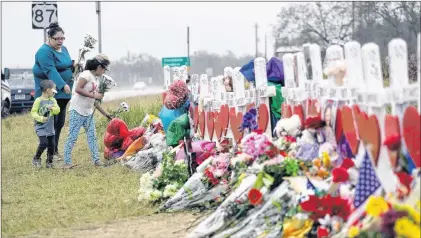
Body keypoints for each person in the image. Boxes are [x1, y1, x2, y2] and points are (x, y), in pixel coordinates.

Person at [33, 22, 77, 161]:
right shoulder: (43, 52)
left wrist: (74, 66)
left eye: (62, 38)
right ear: (49, 38)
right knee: (49, 124)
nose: (60, 41)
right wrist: (63, 84)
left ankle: (55, 150)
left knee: (59, 122)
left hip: (64, 93)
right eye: (57, 38)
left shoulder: (64, 49)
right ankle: (45, 153)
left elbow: (67, 65)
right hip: (49, 93)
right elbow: (51, 71)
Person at [62, 54, 113, 169]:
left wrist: (106, 114)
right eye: (104, 68)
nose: (104, 71)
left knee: (92, 137)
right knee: (73, 137)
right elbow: (78, 89)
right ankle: (67, 162)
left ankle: (96, 161)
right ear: (99, 67)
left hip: (88, 112)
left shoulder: (96, 79)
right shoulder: (86, 74)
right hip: (77, 110)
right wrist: (95, 95)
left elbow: (94, 100)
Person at [30, 80, 60, 168]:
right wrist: (41, 118)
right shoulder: (38, 101)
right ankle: (36, 158)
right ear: (48, 90)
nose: (54, 92)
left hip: (50, 128)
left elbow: (57, 110)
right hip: (41, 127)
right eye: (53, 90)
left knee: (52, 145)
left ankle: (49, 162)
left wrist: (52, 109)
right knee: (43, 143)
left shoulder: (53, 100)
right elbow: (33, 113)